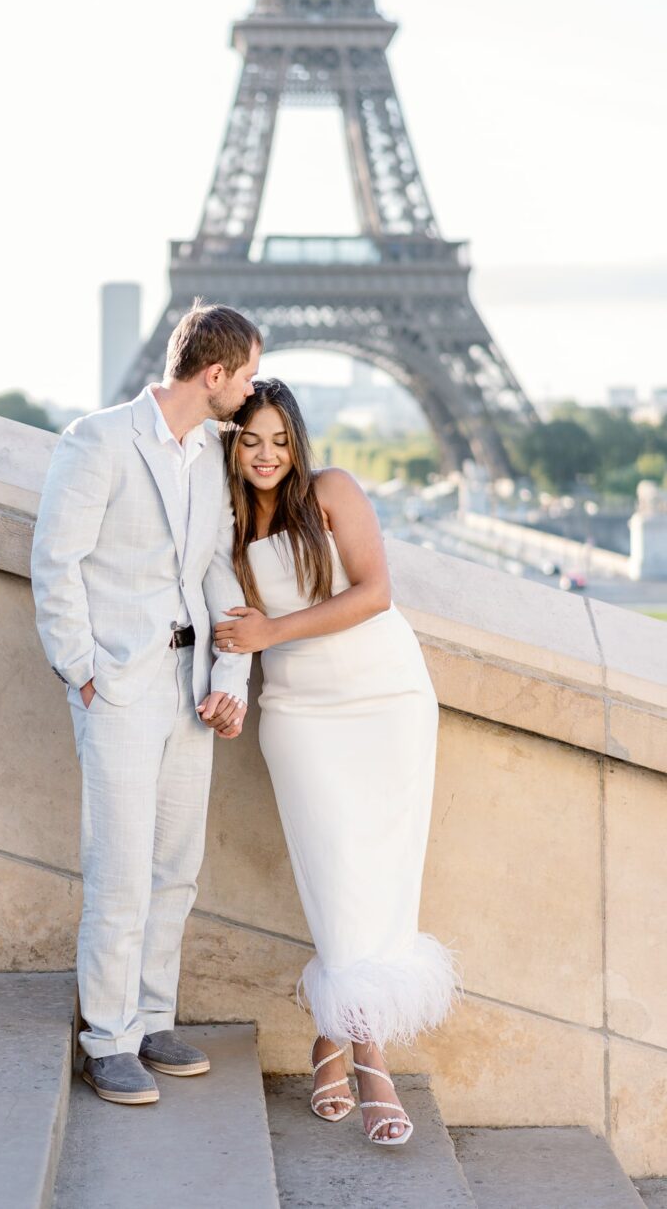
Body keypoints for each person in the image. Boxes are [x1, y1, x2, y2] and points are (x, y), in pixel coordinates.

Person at [214, 378, 459, 1147]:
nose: (266, 455)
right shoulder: (219, 524)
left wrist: (271, 632)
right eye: (250, 439)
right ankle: (371, 1062)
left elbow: (376, 593)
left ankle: (342, 1043)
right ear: (231, 443)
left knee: (383, 882)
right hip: (301, 717)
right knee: (336, 877)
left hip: (387, 699)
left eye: (280, 440)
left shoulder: (330, 491)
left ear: (299, 442)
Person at [31, 301, 262, 1105]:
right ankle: (107, 1037)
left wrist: (230, 683)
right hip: (122, 688)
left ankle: (152, 1017)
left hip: (190, 689)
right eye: (249, 376)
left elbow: (218, 576)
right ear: (215, 374)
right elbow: (55, 563)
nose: (252, 392)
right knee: (121, 870)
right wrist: (83, 673)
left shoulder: (209, 453)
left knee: (175, 869)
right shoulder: (97, 441)